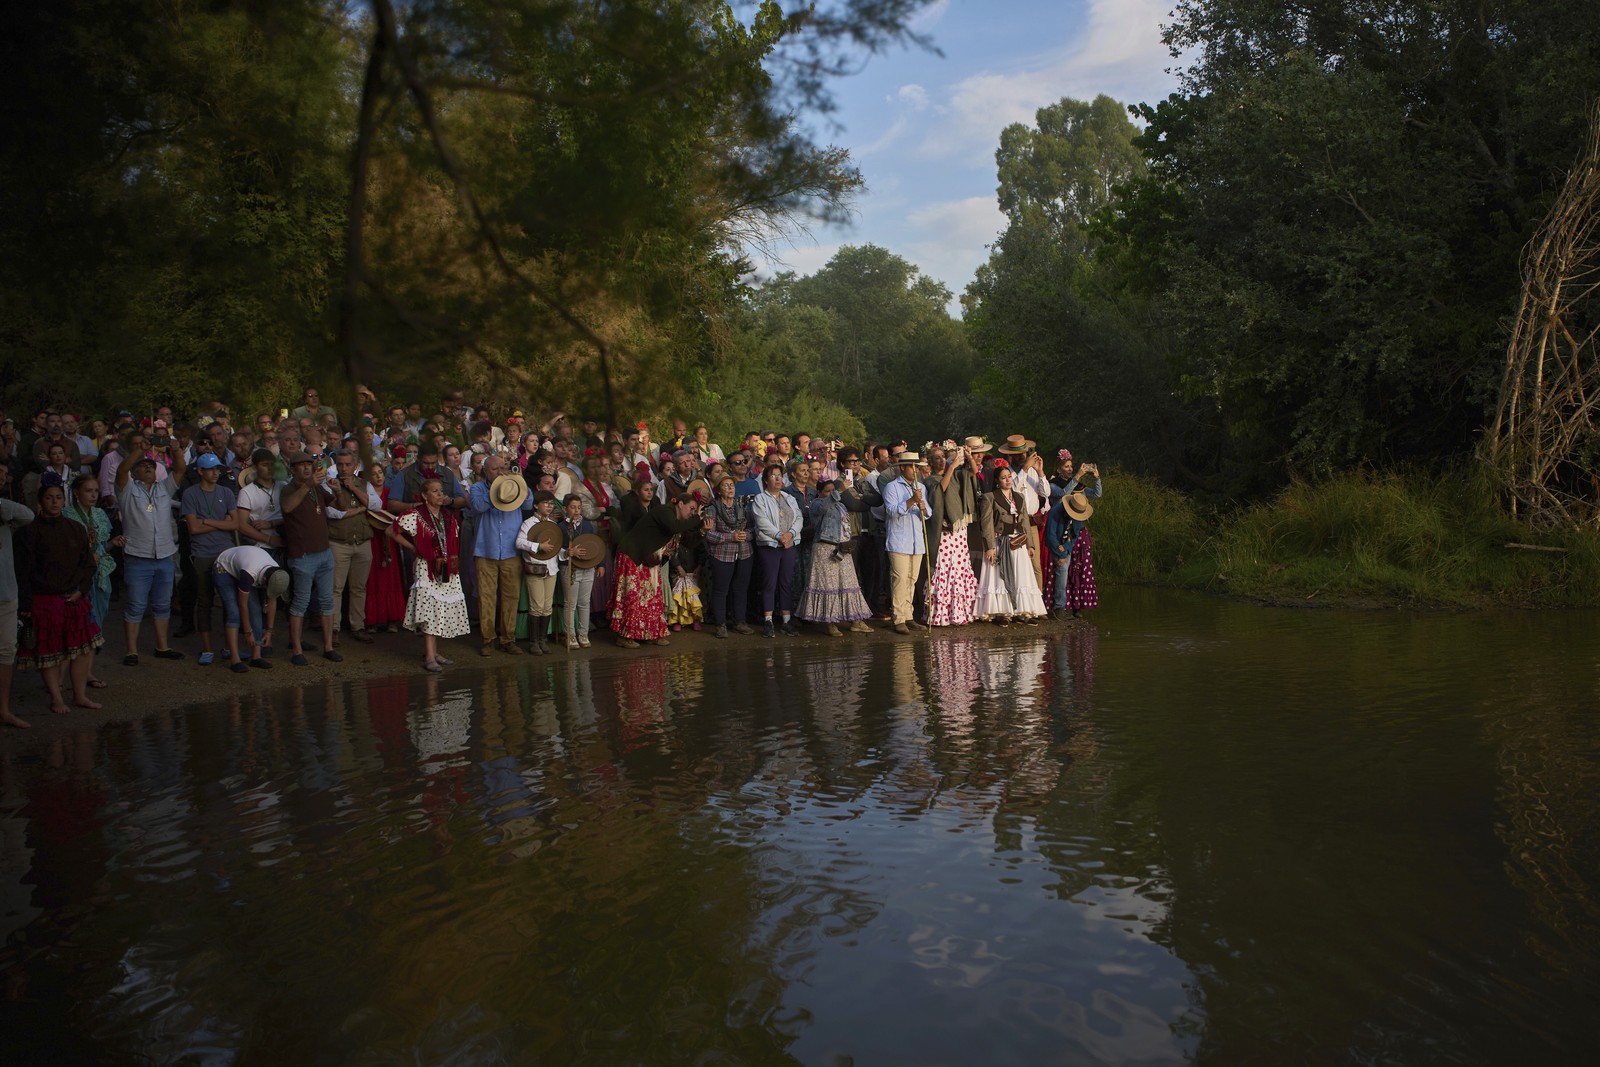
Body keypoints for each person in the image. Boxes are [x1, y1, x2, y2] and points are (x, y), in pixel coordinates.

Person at [15, 479, 104, 714]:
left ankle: (80, 696)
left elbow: (88, 564)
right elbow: (23, 571)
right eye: (49, 498)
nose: (54, 502)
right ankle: (56, 699)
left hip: (75, 596)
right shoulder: (29, 532)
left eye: (58, 498)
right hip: (44, 600)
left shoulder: (75, 528)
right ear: (40, 502)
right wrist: (25, 605)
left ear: (64, 500)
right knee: (50, 653)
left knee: (84, 648)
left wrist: (81, 590)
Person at [116, 439, 187, 665]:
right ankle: (131, 651)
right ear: (134, 473)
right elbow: (122, 469)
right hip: (138, 557)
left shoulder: (164, 488)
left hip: (164, 555)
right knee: (136, 606)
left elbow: (180, 469)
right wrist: (140, 449)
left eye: (151, 466)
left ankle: (162, 647)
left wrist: (176, 450)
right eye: (143, 466)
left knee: (162, 604)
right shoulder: (126, 489)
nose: (148, 467)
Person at [393, 477, 469, 671]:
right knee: (429, 608)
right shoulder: (416, 514)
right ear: (425, 496)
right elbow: (392, 531)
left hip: (445, 567)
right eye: (435, 491)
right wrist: (414, 548)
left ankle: (434, 652)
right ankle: (429, 656)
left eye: (441, 490)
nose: (439, 494)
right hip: (426, 567)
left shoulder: (447, 516)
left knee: (440, 607)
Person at [611, 491, 701, 648]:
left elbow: (689, 542)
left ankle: (651, 633)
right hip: (633, 556)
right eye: (691, 508)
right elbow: (674, 527)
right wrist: (696, 519)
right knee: (632, 597)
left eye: (694, 510)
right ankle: (625, 636)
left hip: (649, 561)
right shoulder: (664, 511)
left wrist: (703, 530)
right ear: (680, 504)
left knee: (652, 597)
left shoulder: (680, 521)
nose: (692, 513)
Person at [280, 452, 342, 665]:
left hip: (324, 552)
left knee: (326, 601)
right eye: (302, 465)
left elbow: (339, 505)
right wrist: (307, 485)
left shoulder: (316, 487)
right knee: (300, 603)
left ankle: (328, 647)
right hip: (303, 555)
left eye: (309, 464)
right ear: (292, 469)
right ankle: (296, 650)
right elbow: (287, 508)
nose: (307, 468)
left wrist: (339, 491)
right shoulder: (289, 489)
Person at [469, 457, 534, 655]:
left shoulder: (515, 485)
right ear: (485, 471)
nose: (499, 472)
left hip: (511, 550)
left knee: (511, 597)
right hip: (485, 550)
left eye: (502, 468)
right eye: (495, 469)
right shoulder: (477, 488)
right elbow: (478, 506)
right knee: (486, 597)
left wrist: (519, 482)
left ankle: (508, 639)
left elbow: (528, 503)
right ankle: (488, 640)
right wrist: (498, 490)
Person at [795, 477, 874, 637]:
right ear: (819, 492)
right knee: (827, 585)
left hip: (842, 548)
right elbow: (822, 509)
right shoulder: (817, 503)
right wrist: (838, 491)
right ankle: (829, 623)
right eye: (827, 491)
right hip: (824, 548)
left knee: (849, 583)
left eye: (833, 490)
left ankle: (855, 620)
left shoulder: (841, 505)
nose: (831, 493)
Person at [181, 453, 240, 665]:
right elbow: (193, 528)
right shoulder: (190, 494)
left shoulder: (226, 491)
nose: (215, 472)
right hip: (203, 554)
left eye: (217, 469)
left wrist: (206, 521)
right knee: (204, 600)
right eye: (210, 469)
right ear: (200, 471)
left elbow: (235, 524)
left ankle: (228, 646)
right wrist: (219, 522)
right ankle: (207, 648)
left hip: (225, 552)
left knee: (228, 600)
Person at [975, 462, 1048, 624]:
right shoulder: (990, 497)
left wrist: (1030, 544)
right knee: (1000, 577)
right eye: (1003, 478)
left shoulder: (1019, 496)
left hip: (1018, 541)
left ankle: (1022, 611)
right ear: (997, 481)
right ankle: (1003, 612)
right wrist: (990, 547)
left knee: (1021, 575)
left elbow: (1025, 523)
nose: (1008, 480)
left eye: (1009, 477)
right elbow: (986, 524)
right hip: (1000, 541)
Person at [325, 449, 379, 644]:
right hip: (338, 542)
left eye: (348, 464)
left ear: (355, 466)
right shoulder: (329, 485)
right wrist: (359, 509)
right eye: (340, 464)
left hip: (362, 542)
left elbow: (376, 506)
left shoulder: (364, 484)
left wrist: (355, 490)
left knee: (359, 587)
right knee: (335, 588)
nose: (344, 468)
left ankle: (358, 626)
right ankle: (334, 628)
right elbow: (332, 513)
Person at [212, 544, 288, 672]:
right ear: (264, 580)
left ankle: (256, 657)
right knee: (234, 612)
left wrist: (269, 630)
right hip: (223, 567)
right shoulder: (250, 574)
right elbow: (242, 604)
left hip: (245, 564)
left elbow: (272, 600)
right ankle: (235, 660)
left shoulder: (277, 574)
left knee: (256, 609)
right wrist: (248, 632)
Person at [928, 442, 981, 626]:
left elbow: (973, 474)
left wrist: (969, 456)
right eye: (937, 458)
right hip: (943, 529)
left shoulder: (958, 474)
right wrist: (951, 467)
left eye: (943, 457)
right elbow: (940, 490)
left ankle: (960, 613)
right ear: (931, 463)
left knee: (960, 568)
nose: (942, 460)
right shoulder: (931, 479)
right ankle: (941, 614)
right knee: (944, 568)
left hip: (959, 530)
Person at [881, 452, 932, 635]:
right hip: (899, 541)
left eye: (917, 467)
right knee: (900, 580)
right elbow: (892, 512)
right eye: (913, 467)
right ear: (902, 467)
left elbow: (928, 513)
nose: (916, 470)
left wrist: (924, 508)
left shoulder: (921, 487)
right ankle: (898, 618)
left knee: (912, 579)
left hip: (916, 541)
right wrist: (911, 501)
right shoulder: (891, 487)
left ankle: (908, 615)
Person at [750, 465, 804, 637]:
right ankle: (768, 621)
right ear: (766, 480)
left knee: (786, 582)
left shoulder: (789, 498)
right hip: (770, 546)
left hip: (789, 544)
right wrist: (780, 535)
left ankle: (787, 620)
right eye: (773, 476)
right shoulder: (760, 499)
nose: (778, 479)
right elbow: (761, 521)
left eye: (779, 475)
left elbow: (799, 517)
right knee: (769, 582)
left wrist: (791, 534)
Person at [0, 459, 34, 728]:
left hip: (6, 591)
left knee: (6, 650)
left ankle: (4, 709)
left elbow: (28, 515)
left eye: (3, 475)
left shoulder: (4, 511)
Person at [1045, 461, 1103, 618]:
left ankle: (1076, 606)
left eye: (1071, 466)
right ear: (1058, 468)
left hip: (1071, 537)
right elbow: (1064, 494)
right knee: (1062, 569)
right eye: (1066, 466)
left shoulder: (1079, 503)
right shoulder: (1053, 487)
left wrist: (1096, 478)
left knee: (1078, 571)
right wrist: (1060, 549)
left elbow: (1097, 494)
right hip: (1058, 534)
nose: (1070, 469)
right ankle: (1058, 607)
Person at [702, 473, 754, 639]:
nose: (730, 488)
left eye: (732, 485)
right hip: (722, 555)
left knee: (741, 588)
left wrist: (746, 535)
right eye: (726, 485)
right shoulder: (712, 509)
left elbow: (753, 529)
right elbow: (709, 535)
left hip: (744, 553)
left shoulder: (742, 507)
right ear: (718, 490)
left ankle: (740, 621)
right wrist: (730, 537)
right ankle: (720, 624)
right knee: (720, 590)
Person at [514, 490, 561, 654]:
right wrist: (537, 546)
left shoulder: (553, 524)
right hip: (535, 567)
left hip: (551, 568)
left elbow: (556, 547)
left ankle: (543, 639)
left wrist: (565, 553)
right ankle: (534, 642)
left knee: (547, 607)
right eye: (546, 503)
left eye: (551, 503)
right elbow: (519, 542)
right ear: (536, 505)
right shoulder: (528, 523)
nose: (549, 506)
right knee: (536, 606)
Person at [363, 463, 407, 632]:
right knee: (372, 578)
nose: (378, 476)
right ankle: (373, 620)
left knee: (391, 578)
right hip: (372, 539)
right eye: (374, 474)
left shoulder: (391, 495)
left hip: (389, 539)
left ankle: (392, 620)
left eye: (380, 472)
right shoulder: (366, 495)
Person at [557, 494, 602, 649]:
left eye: (578, 507)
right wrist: (567, 552)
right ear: (565, 509)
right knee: (570, 603)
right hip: (570, 569)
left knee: (584, 603)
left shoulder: (588, 525)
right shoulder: (561, 527)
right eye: (572, 507)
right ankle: (570, 634)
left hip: (588, 567)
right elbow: (556, 549)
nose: (576, 511)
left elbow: (597, 544)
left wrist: (600, 564)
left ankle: (583, 633)